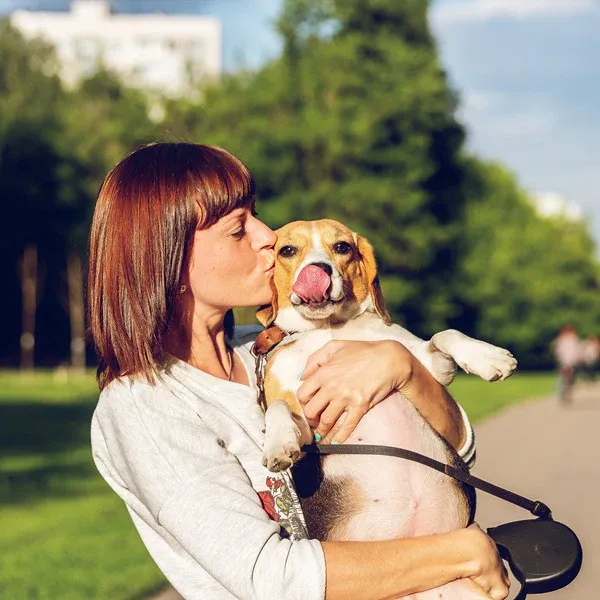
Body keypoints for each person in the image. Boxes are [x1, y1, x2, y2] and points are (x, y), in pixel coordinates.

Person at [88, 142, 509, 600]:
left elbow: (457, 458)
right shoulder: (145, 405)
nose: (267, 235)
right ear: (169, 260)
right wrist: (460, 553)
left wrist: (403, 366)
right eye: (237, 229)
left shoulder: (273, 348)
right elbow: (270, 579)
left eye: (256, 214)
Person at [551, 325, 582, 403]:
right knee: (566, 378)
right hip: (566, 361)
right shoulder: (563, 339)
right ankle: (563, 392)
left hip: (569, 361)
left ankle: (565, 392)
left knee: (568, 379)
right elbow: (558, 350)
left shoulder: (572, 339)